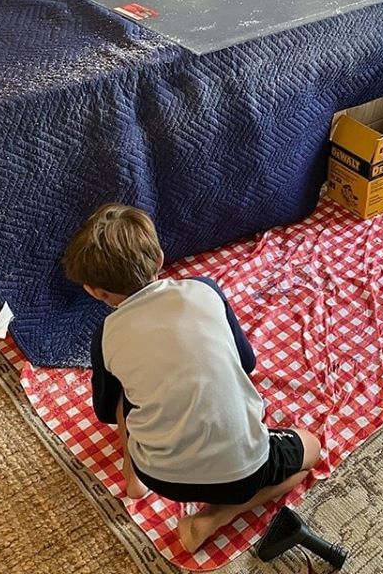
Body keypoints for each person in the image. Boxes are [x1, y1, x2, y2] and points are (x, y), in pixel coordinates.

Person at [61, 204, 321, 553]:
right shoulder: (204, 290)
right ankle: (211, 519)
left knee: (124, 390)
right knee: (312, 450)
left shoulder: (105, 334)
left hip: (157, 473)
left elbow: (107, 412)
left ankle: (132, 475)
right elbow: (247, 362)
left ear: (93, 290)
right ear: (158, 258)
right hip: (241, 472)